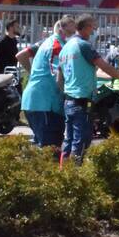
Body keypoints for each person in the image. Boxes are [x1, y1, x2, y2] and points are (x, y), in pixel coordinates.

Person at [57, 14, 119, 164]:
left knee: (69, 140)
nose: (94, 31)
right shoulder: (84, 46)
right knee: (81, 141)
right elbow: (104, 66)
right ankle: (74, 176)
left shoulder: (65, 48)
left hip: (69, 101)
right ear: (85, 27)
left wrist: (67, 92)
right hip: (82, 101)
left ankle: (63, 174)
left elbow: (59, 78)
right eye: (93, 27)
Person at [20, 16, 75, 148]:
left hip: (43, 102)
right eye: (72, 30)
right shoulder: (56, 46)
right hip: (44, 103)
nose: (74, 34)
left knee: (51, 147)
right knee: (49, 149)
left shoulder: (52, 43)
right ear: (63, 29)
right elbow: (59, 75)